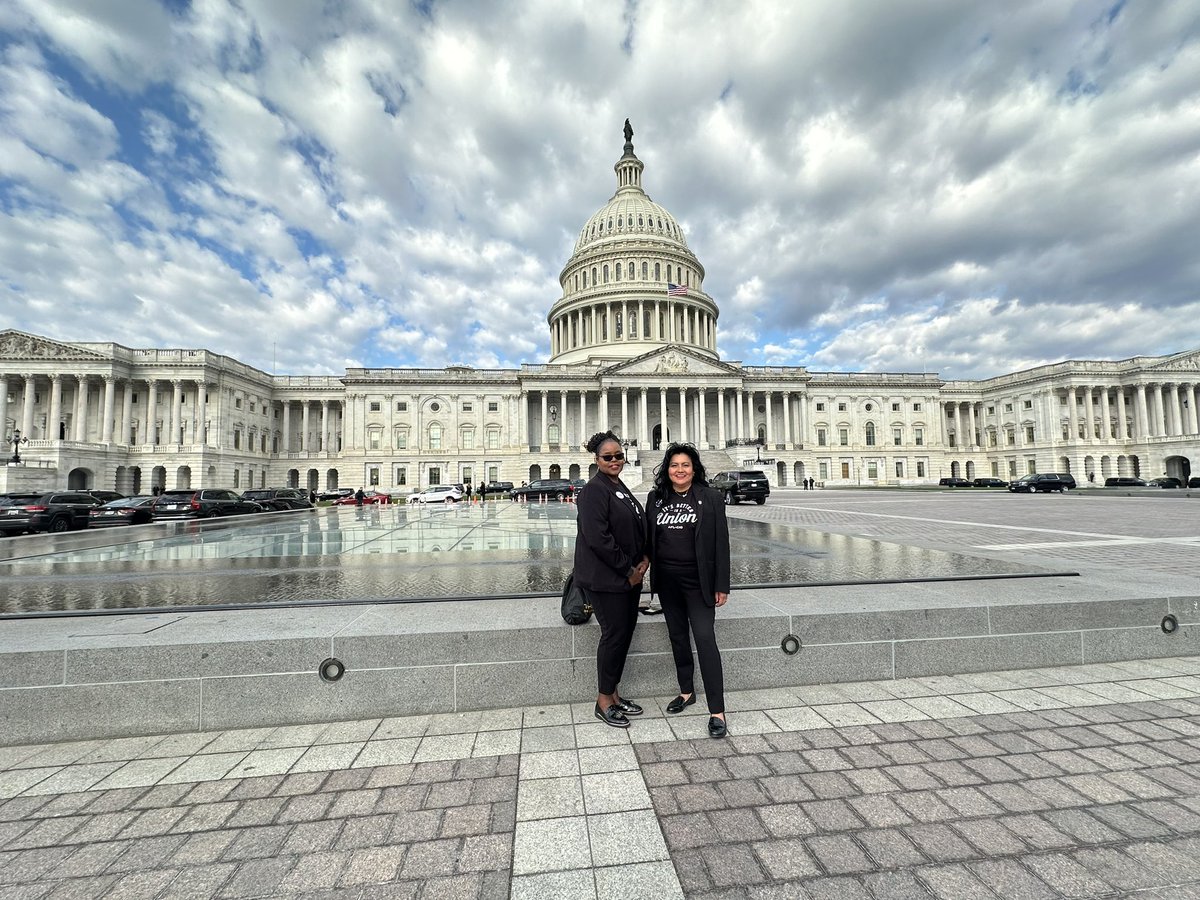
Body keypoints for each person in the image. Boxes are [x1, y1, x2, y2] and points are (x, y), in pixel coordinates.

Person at [644, 443, 731, 738]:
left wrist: (722, 585)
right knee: (678, 637)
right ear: (666, 470)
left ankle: (717, 710)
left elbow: (721, 544)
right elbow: (647, 540)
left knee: (705, 639)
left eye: (685, 465)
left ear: (694, 469)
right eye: (674, 465)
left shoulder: (711, 498)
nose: (679, 470)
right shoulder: (656, 499)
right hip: (668, 582)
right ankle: (686, 692)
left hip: (699, 583)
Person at [573, 430, 648, 728]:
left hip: (627, 577)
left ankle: (615, 694)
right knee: (614, 636)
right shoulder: (593, 490)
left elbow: (635, 525)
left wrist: (644, 557)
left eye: (619, 455)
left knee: (623, 636)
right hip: (607, 580)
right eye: (608, 457)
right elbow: (598, 539)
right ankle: (604, 700)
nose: (615, 460)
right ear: (597, 459)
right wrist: (628, 570)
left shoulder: (618, 486)